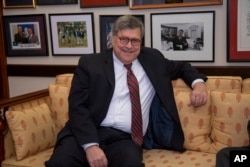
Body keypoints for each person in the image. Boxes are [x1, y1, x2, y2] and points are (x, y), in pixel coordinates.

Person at [45, 15, 207, 167]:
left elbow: (182, 67)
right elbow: (77, 107)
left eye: (135, 41)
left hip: (124, 139)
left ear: (141, 42)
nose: (129, 46)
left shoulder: (153, 59)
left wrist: (198, 84)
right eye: (124, 39)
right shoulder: (90, 64)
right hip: (86, 132)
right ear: (113, 38)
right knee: (60, 163)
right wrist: (91, 146)